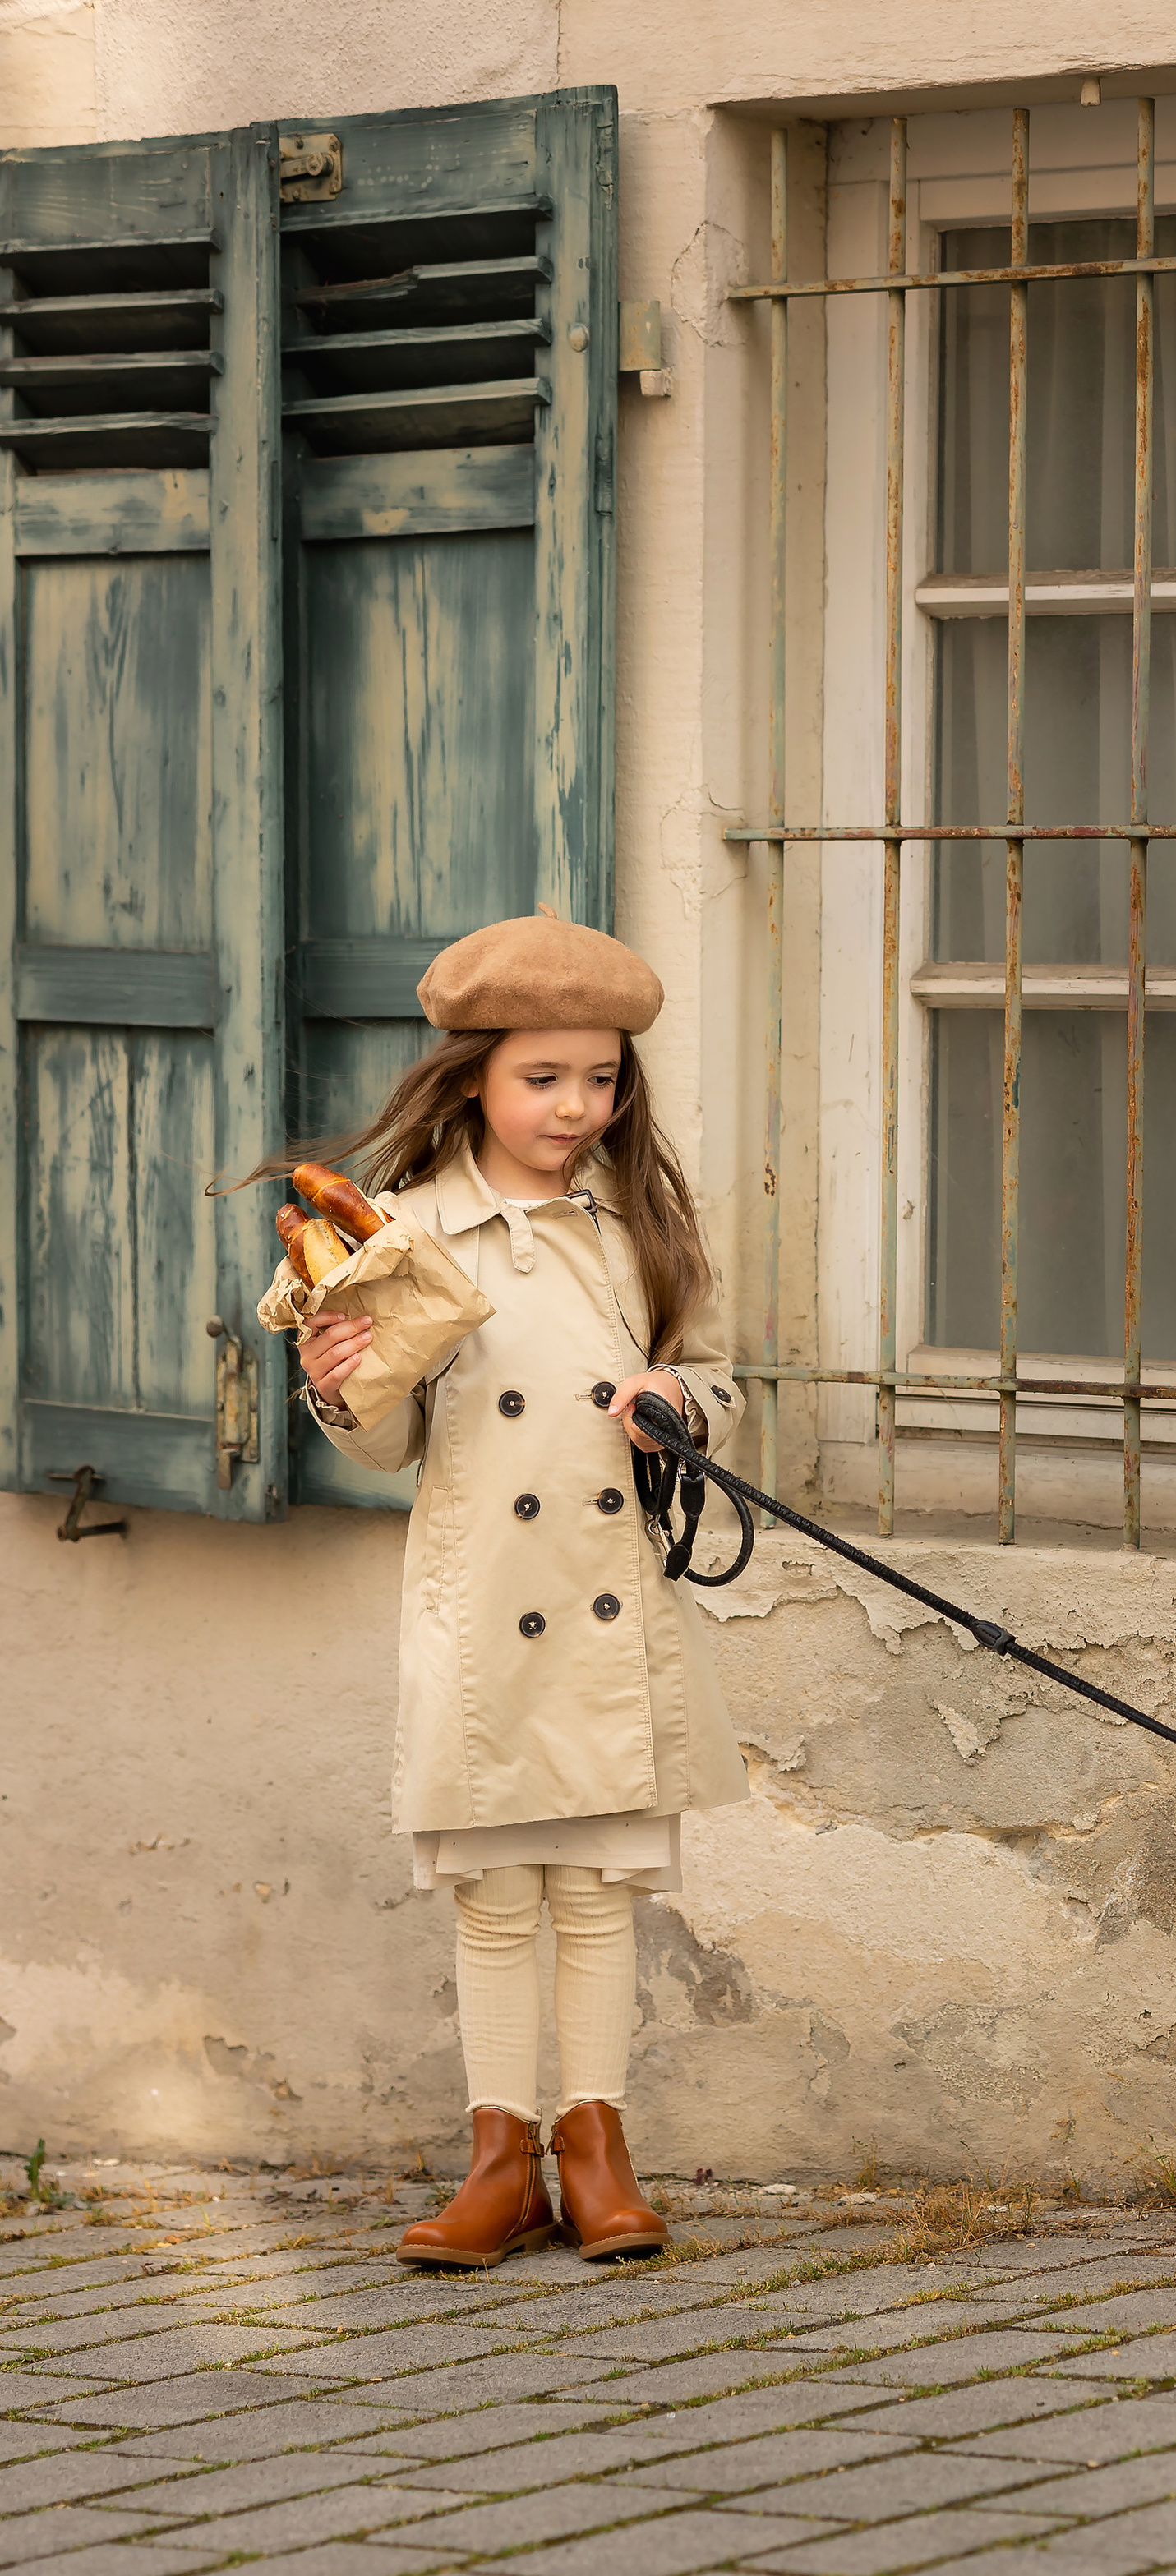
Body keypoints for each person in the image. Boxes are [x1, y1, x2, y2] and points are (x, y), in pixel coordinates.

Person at [263, 913, 749, 2270]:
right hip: (482, 1604)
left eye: (601, 1079)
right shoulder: (407, 1233)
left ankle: (595, 2149)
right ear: (474, 1076)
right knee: (493, 1892)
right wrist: (338, 1374)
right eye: (544, 1078)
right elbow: (381, 1439)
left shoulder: (636, 1223)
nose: (577, 1106)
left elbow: (721, 1375)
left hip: (609, 1593)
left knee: (597, 1887)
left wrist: (681, 1400)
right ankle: (500, 2159)